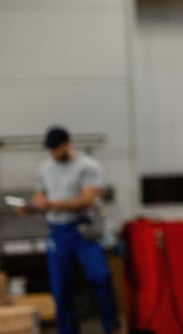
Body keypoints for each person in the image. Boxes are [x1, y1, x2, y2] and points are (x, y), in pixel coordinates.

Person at [26, 126, 119, 334]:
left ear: (67, 144)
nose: (53, 154)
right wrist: (32, 205)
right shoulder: (45, 168)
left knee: (100, 277)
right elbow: (40, 196)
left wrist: (51, 204)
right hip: (58, 232)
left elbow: (87, 200)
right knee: (60, 287)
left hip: (82, 230)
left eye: (56, 149)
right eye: (50, 150)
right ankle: (68, 331)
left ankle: (110, 325)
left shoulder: (88, 166)